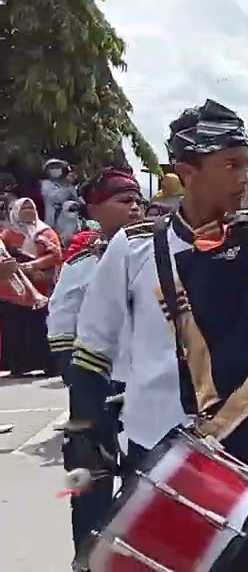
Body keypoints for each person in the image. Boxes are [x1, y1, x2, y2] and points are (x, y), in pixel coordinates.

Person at [64, 99, 248, 571]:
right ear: (187, 171)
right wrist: (88, 444)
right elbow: (92, 352)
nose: (244, 178)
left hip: (243, 449)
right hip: (156, 449)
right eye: (230, 165)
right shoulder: (135, 246)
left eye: (246, 165)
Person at [45, 168, 142, 563]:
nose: (134, 208)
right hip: (95, 383)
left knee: (148, 478)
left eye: (137, 201)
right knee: (86, 481)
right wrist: (76, 374)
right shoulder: (82, 262)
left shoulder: (155, 252)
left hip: (146, 383)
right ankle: (87, 558)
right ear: (95, 208)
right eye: (124, 201)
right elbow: (60, 318)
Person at [0, 196, 62, 375]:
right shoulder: (7, 234)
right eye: (24, 209)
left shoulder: (46, 232)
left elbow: (56, 255)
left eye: (31, 208)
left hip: (40, 285)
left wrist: (34, 265)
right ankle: (18, 366)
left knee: (40, 327)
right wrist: (18, 267)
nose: (28, 212)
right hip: (13, 290)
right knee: (15, 328)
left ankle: (46, 365)